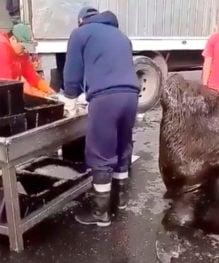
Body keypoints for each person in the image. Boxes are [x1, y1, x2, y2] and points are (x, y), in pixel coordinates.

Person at [61, 7, 140, 227]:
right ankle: (120, 201)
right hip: (131, 95)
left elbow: (72, 72)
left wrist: (70, 98)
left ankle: (101, 214)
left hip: (106, 98)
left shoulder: (81, 33)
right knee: (123, 146)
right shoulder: (122, 37)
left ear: (81, 21)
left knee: (100, 152)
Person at [0, 23, 54, 98]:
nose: (25, 51)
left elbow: (30, 74)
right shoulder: (2, 49)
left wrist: (47, 89)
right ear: (13, 39)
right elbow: (8, 85)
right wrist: (41, 95)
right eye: (23, 47)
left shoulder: (20, 52)